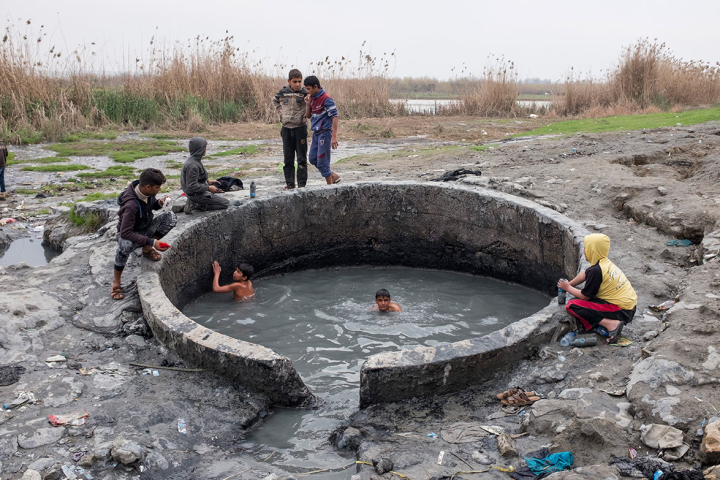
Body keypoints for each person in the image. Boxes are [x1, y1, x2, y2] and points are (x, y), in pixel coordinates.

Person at [558, 233, 637, 344]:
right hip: (629, 306)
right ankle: (605, 323)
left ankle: (611, 324)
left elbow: (585, 296)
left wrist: (567, 288)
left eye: (587, 248)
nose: (585, 250)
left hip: (621, 310)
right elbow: (584, 274)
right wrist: (569, 284)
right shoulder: (603, 263)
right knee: (584, 302)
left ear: (592, 251)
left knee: (573, 305)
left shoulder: (597, 271)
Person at [112, 168, 177, 300]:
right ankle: (116, 282)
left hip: (144, 228)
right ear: (148, 187)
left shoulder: (146, 193)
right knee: (125, 245)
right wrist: (153, 242)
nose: (159, 190)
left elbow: (151, 205)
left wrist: (159, 203)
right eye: (158, 187)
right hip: (128, 234)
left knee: (171, 217)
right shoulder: (130, 205)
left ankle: (147, 249)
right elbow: (125, 233)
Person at [272, 69, 308, 190]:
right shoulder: (284, 92)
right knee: (288, 159)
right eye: (295, 81)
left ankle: (302, 185)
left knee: (302, 159)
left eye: (299, 81)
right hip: (286, 128)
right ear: (289, 81)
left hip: (300, 128)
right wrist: (279, 110)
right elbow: (274, 100)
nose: (298, 84)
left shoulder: (304, 93)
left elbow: (312, 104)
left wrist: (307, 111)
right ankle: (290, 184)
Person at [303, 75, 340, 185]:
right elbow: (308, 116)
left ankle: (329, 185)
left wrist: (334, 136)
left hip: (325, 132)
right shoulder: (312, 98)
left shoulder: (326, 99)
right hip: (316, 133)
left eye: (308, 89)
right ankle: (333, 175)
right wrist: (308, 104)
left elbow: (335, 116)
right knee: (312, 158)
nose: (307, 91)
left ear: (315, 87)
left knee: (322, 160)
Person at [181, 137, 229, 214]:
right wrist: (208, 188)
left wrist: (208, 182)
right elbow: (191, 185)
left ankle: (191, 204)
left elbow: (196, 179)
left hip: (195, 193)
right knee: (225, 203)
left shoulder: (195, 161)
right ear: (200, 149)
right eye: (205, 147)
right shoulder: (193, 165)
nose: (206, 149)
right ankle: (195, 206)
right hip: (196, 194)